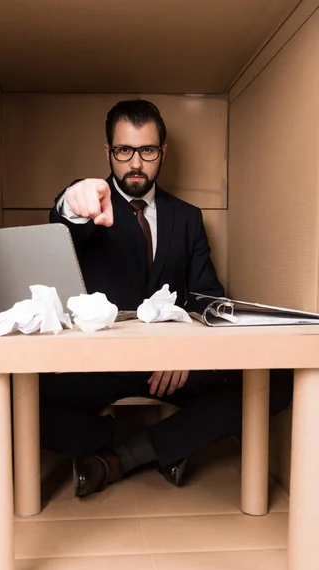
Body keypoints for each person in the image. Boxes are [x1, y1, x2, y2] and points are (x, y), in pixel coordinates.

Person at [40, 99, 292, 498]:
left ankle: (126, 455)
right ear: (108, 152)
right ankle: (143, 440)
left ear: (163, 152)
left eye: (147, 151)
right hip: (100, 365)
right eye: (123, 151)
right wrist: (72, 200)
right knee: (17, 402)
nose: (135, 163)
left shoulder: (188, 218)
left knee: (276, 381)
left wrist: (186, 353)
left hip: (174, 366)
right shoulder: (90, 206)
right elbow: (62, 223)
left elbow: (210, 298)